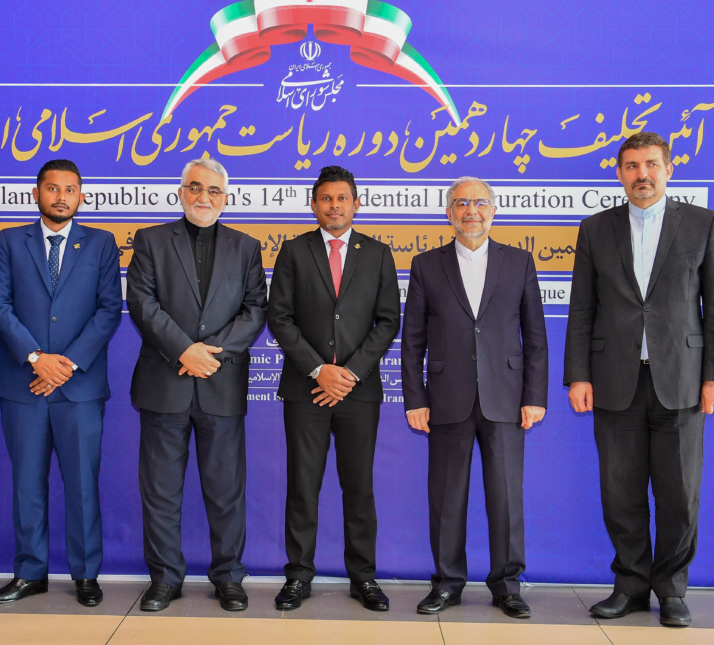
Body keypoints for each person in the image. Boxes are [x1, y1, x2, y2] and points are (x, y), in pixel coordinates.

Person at [564, 131, 714, 628]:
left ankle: (672, 590)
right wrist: (578, 375)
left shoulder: (702, 224)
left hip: (682, 381)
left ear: (668, 169)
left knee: (679, 495)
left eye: (651, 164)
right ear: (620, 173)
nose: (642, 174)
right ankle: (630, 587)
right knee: (620, 493)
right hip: (613, 380)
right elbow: (582, 308)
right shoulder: (595, 229)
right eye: (632, 166)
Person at [401, 177, 548, 618]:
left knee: (506, 498)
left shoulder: (519, 262)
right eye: (462, 203)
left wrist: (535, 395)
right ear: (449, 213)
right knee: (447, 499)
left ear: (493, 211)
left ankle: (507, 586)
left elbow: (535, 337)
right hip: (447, 397)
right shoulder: (426, 265)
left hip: (506, 398)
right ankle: (447, 584)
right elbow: (412, 341)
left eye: (480, 203)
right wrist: (415, 398)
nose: (471, 211)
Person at [126, 158, 267, 612]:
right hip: (164, 383)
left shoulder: (247, 247)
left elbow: (255, 311)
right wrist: (184, 350)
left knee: (226, 491)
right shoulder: (150, 240)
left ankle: (229, 577)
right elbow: (142, 303)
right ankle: (165, 579)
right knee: (161, 491)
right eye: (195, 188)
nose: (204, 197)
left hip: (220, 385)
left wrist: (210, 354)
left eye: (213, 190)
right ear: (181, 192)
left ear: (226, 198)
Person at [0, 159, 122, 607]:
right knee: (27, 484)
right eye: (52, 188)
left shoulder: (101, 243)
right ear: (36, 193)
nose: (61, 197)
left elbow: (109, 310)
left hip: (79, 387)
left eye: (70, 189)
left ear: (81, 195)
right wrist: (36, 358)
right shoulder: (9, 241)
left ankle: (86, 574)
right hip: (23, 384)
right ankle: (30, 573)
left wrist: (66, 365)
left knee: (82, 485)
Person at [267, 165, 400, 612]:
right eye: (326, 198)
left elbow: (388, 321)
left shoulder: (378, 253)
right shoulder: (293, 251)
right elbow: (279, 317)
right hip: (306, 391)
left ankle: (363, 578)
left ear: (356, 204)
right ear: (313, 205)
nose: (334, 206)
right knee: (303, 486)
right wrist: (318, 369)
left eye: (342, 198)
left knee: (358, 487)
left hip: (358, 393)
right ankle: (297, 576)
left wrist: (349, 373)